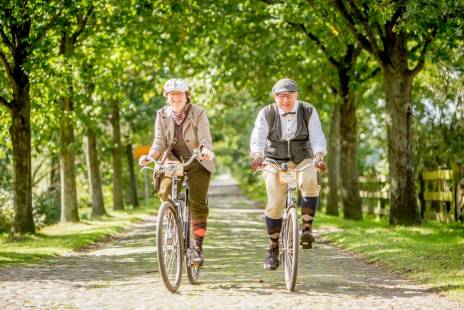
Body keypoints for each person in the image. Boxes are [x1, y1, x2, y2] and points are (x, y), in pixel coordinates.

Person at [250, 78, 327, 270]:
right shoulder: (266, 113)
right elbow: (258, 137)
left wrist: (319, 156)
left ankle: (307, 228)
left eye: (290, 96)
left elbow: (317, 137)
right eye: (282, 97)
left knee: (310, 179)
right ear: (275, 97)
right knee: (275, 202)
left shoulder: (308, 110)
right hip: (274, 160)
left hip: (302, 157)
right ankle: (273, 248)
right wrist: (258, 155)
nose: (286, 101)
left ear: (296, 96)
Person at [139, 78, 215, 266]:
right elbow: (159, 141)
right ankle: (174, 224)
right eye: (172, 95)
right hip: (173, 160)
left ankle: (197, 247)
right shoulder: (162, 114)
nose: (176, 98)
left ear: (186, 96)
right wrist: (150, 156)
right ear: (167, 97)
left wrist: (206, 150)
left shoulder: (198, 113)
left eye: (179, 94)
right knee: (164, 192)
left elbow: (205, 137)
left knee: (197, 203)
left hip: (197, 160)